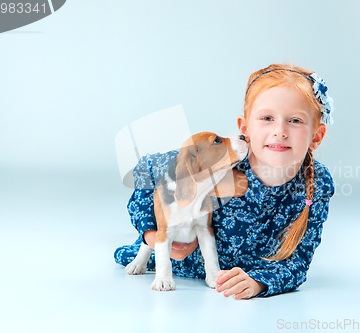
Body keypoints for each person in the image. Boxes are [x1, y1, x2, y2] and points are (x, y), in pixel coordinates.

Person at [114, 64, 335, 299]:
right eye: (267, 118)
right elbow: (147, 170)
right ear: (245, 128)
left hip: (232, 279)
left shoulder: (315, 184)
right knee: (131, 254)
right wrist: (151, 233)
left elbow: (298, 263)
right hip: (175, 262)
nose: (280, 131)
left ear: (316, 136)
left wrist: (259, 283)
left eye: (295, 121)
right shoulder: (223, 158)